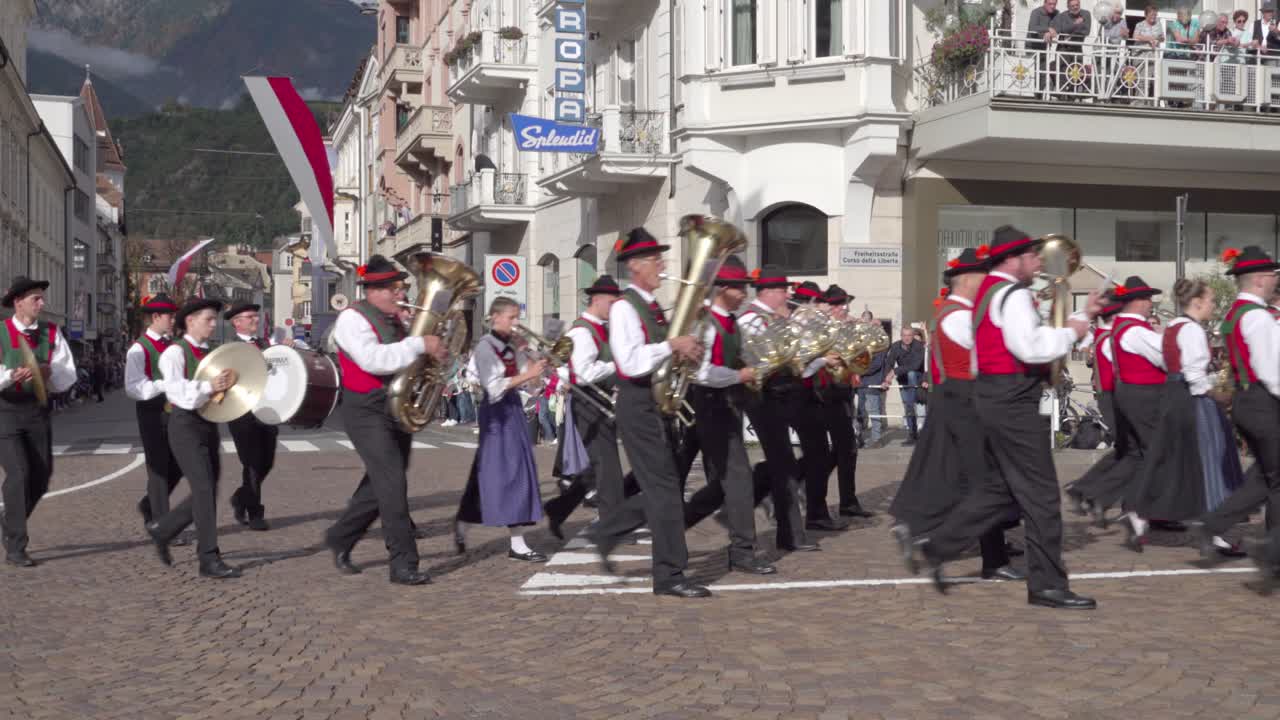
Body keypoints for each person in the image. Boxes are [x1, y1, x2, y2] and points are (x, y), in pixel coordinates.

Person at [908, 225, 1102, 610]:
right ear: (1014, 259)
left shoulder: (987, 295)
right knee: (1042, 496)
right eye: (1032, 256)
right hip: (1012, 402)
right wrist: (1074, 329)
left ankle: (939, 546)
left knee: (1000, 489)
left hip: (995, 397)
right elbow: (1029, 346)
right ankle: (1047, 585)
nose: (1038, 262)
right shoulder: (1012, 295)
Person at [591, 225, 709, 598]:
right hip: (637, 403)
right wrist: (671, 345)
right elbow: (628, 362)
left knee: (665, 487)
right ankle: (669, 575)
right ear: (637, 265)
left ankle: (611, 531)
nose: (662, 264)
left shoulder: (652, 306)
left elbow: (657, 354)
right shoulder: (626, 307)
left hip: (655, 404)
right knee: (664, 491)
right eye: (656, 259)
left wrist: (684, 349)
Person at [890, 248, 1020, 582]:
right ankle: (935, 537)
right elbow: (988, 358)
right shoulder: (960, 316)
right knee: (984, 482)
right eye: (984, 276)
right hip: (968, 401)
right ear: (967, 279)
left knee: (959, 477)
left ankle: (921, 527)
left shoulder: (959, 312)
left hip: (961, 399)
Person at [323, 255, 448, 585]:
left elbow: (408, 360)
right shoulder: (353, 319)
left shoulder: (395, 320)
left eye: (400, 288)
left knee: (381, 483)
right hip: (365, 408)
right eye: (395, 289)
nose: (400, 294)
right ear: (374, 291)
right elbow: (372, 359)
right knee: (392, 482)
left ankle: (340, 536)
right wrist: (420, 343)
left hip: (394, 405)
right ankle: (403, 563)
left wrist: (431, 354)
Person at [673, 256, 776, 575]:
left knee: (728, 481)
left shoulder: (731, 322)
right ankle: (741, 551)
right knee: (736, 479)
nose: (745, 293)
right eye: (740, 287)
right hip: (707, 403)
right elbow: (701, 372)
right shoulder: (706, 322)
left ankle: (684, 532)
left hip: (725, 404)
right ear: (724, 289)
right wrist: (740, 376)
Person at [1127, 279, 1245, 555]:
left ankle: (1142, 512)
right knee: (1211, 463)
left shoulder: (1173, 326)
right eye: (1211, 301)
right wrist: (1216, 393)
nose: (1213, 306)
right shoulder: (1191, 330)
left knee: (1178, 462)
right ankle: (1213, 532)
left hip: (1174, 395)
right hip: (1192, 399)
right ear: (1198, 302)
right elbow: (1194, 375)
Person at [1190, 247, 1280, 588]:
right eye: (1273, 275)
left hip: (1248, 401)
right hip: (1262, 400)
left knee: (1264, 476)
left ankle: (1212, 525)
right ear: (1259, 278)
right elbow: (1271, 370)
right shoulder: (1257, 316)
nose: (1276, 280)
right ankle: (1272, 553)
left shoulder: (1238, 313)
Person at [144, 298, 240, 579]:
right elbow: (178, 393)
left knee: (208, 489)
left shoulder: (210, 353)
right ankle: (208, 558)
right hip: (184, 425)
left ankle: (163, 530)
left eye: (214, 320)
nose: (213, 325)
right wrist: (210, 386)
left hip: (207, 424)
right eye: (209, 319)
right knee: (203, 489)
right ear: (190, 321)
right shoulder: (175, 354)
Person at [454, 297, 550, 563]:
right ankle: (516, 543)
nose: (516, 322)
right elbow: (494, 387)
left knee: (497, 470)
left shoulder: (510, 346)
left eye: (517, 317)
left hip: (513, 410)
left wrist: (536, 364)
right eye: (511, 317)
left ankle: (465, 522)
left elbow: (530, 384)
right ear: (495, 317)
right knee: (508, 473)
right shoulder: (486, 348)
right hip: (496, 413)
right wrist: (527, 375)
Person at [739, 266, 825, 553]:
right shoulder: (752, 320)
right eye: (782, 290)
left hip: (780, 394)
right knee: (784, 464)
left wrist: (820, 357)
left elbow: (796, 362)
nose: (787, 295)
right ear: (767, 292)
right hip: (762, 396)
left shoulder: (776, 318)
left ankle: (788, 532)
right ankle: (786, 533)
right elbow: (761, 358)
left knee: (784, 463)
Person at [0, 276, 77, 567]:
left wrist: (49, 375)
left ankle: (9, 520)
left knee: (41, 478)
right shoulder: (0, 332)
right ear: (18, 302)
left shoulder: (52, 333)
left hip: (37, 410)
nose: (42, 303)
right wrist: (9, 376)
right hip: (5, 411)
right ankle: (17, 546)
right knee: (18, 473)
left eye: (42, 298)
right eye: (36, 298)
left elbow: (67, 374)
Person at [544, 275, 626, 539]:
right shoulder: (582, 331)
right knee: (608, 464)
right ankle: (612, 523)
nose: (614, 307)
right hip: (588, 400)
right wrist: (618, 365)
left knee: (595, 466)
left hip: (597, 398)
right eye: (612, 302)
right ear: (597, 299)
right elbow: (581, 373)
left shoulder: (601, 328)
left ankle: (558, 508)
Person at [125, 294, 185, 535]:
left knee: (180, 464)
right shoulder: (138, 349)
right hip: (152, 412)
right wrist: (163, 385)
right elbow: (133, 387)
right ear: (157, 317)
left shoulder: (174, 346)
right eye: (170, 316)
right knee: (159, 468)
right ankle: (163, 523)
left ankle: (149, 504)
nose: (174, 320)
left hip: (176, 411)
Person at [1064, 296, 1125, 525]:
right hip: (1113, 397)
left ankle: (1092, 494)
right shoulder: (1109, 339)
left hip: (1109, 396)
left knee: (1128, 451)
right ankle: (1089, 492)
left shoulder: (1102, 337)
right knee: (1132, 452)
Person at [789, 281, 843, 532]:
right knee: (818, 454)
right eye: (821, 302)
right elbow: (800, 364)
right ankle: (813, 511)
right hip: (799, 393)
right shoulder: (799, 324)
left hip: (811, 393)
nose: (825, 307)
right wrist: (823, 359)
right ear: (810, 303)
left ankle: (814, 509)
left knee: (820, 453)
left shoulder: (810, 324)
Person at [817, 284, 873, 519]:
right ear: (829, 307)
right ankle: (818, 500)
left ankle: (847, 501)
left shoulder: (845, 327)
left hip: (843, 390)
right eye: (839, 304)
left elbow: (859, 357)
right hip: (825, 392)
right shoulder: (821, 328)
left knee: (847, 449)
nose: (844, 308)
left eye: (845, 303)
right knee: (833, 450)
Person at [223, 303, 279, 531]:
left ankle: (240, 497)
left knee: (267, 462)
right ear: (236, 322)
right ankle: (255, 512)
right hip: (242, 413)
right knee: (253, 463)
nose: (256, 320)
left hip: (267, 410)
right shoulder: (229, 349)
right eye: (250, 317)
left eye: (257, 316)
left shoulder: (266, 344)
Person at [884, 327, 925, 445]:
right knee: (908, 407)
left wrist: (894, 371)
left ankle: (919, 432)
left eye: (909, 335)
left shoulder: (919, 346)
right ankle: (912, 434)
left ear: (913, 336)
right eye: (904, 335)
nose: (907, 338)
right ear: (901, 336)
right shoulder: (895, 346)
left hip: (917, 380)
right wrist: (886, 379)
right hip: (903, 380)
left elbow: (915, 366)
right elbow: (889, 363)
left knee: (911, 374)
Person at [856, 319, 887, 448]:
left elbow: (876, 365)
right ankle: (859, 437)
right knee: (860, 412)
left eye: (876, 326)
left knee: (874, 410)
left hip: (873, 381)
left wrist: (859, 372)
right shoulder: (864, 342)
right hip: (861, 383)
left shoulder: (881, 344)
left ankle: (876, 439)